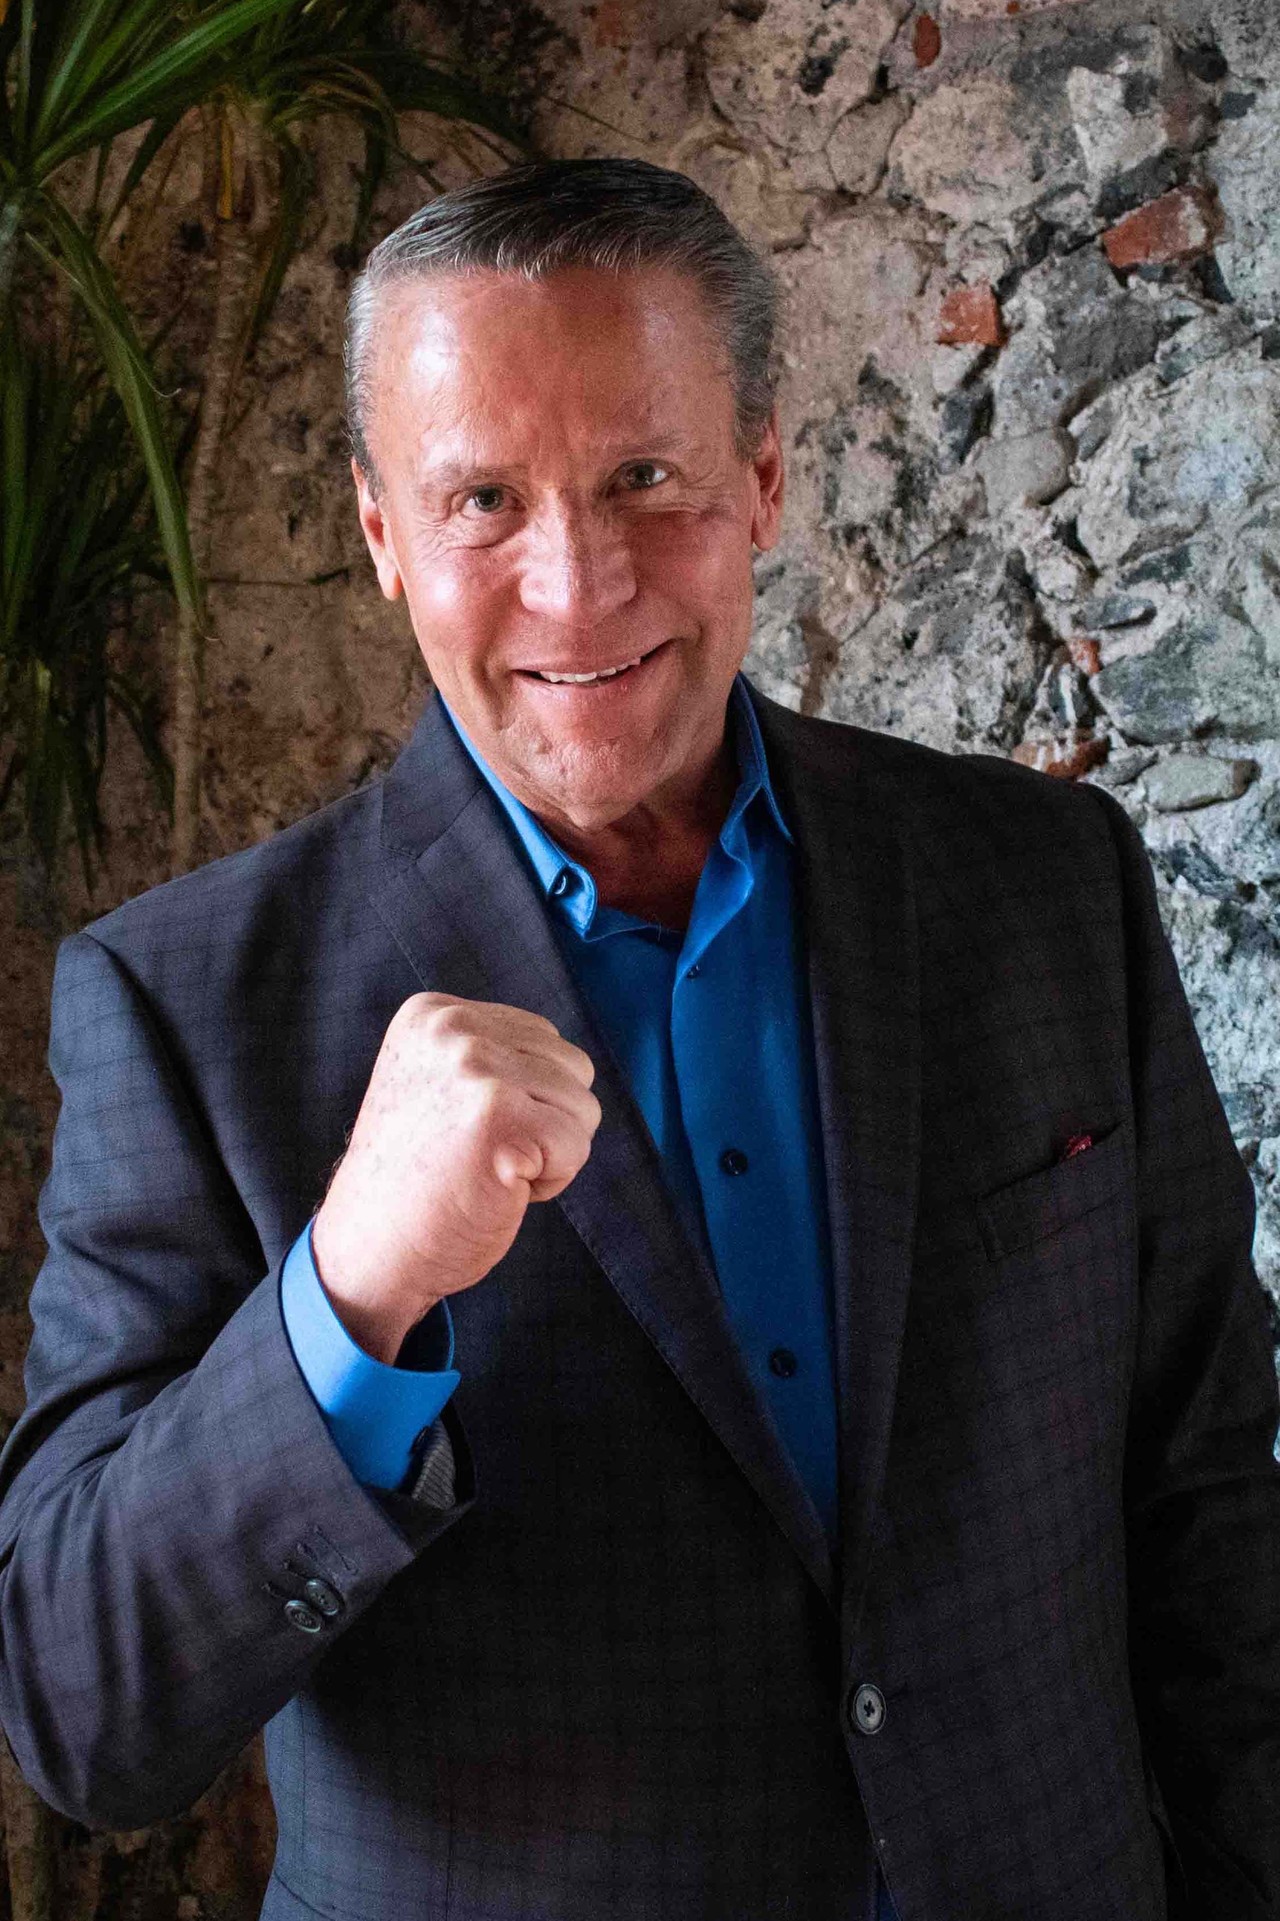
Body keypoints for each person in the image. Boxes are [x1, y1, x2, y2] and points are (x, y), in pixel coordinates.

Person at [0, 156, 1275, 1921]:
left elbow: (1213, 1499)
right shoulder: (186, 1001)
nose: (577, 583)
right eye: (483, 500)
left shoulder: (1049, 879)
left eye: (643, 478)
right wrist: (349, 1291)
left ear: (763, 477)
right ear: (381, 536)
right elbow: (82, 1712)